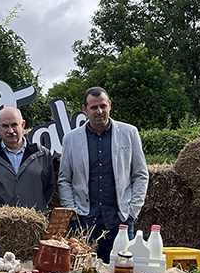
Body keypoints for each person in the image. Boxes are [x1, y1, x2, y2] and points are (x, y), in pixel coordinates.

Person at [58, 86, 149, 261]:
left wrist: (132, 210)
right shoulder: (71, 139)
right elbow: (64, 179)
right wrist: (72, 210)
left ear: (109, 105)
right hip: (85, 221)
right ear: (85, 110)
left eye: (102, 106)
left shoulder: (129, 133)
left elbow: (140, 174)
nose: (99, 111)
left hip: (120, 219)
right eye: (93, 107)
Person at [0, 106, 55, 212]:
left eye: (14, 125)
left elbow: (48, 189)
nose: (10, 130)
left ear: (23, 125)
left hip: (35, 223)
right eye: (5, 126)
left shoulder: (42, 154)